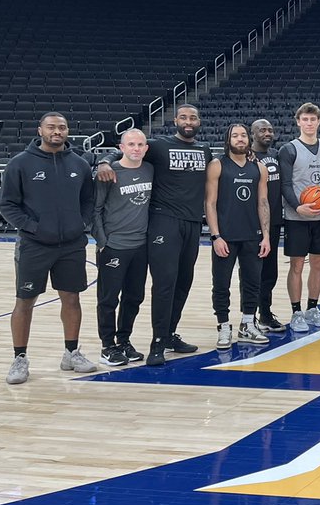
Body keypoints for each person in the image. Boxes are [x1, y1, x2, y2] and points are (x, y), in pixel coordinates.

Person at [96, 104, 210, 366]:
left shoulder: (204, 151)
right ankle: (157, 343)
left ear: (199, 121)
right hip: (164, 222)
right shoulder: (158, 146)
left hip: (193, 224)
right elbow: (125, 148)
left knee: (184, 283)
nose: (188, 121)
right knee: (165, 284)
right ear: (175, 121)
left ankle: (169, 334)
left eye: (193, 117)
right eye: (183, 117)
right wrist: (104, 161)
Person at [2, 113, 96, 385]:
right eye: (52, 127)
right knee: (25, 301)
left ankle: (71, 353)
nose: (57, 131)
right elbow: (8, 205)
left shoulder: (78, 163)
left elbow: (88, 201)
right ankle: (19, 359)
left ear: (68, 131)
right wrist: (33, 227)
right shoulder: (20, 163)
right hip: (34, 245)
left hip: (71, 245)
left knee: (72, 299)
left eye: (62, 127)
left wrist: (82, 223)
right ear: (40, 130)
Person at [205, 124, 271, 349]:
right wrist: (215, 236)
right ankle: (223, 326)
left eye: (243, 135)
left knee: (252, 283)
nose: (240, 139)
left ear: (249, 139)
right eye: (235, 135)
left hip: (252, 236)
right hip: (225, 237)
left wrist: (266, 236)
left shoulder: (259, 168)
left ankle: (247, 324)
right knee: (221, 285)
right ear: (228, 139)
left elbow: (263, 202)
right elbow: (210, 203)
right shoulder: (217, 165)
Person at [92, 128, 152, 366]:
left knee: (134, 297)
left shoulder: (150, 170)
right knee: (108, 299)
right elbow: (95, 210)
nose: (136, 149)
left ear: (146, 148)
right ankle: (107, 346)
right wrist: (102, 242)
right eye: (131, 144)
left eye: (140, 145)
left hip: (141, 247)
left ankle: (124, 341)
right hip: (114, 247)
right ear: (121, 148)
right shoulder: (108, 173)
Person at [280, 102, 320, 334]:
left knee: (319, 265)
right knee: (297, 266)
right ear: (298, 122)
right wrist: (298, 206)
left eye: (313, 120)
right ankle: (296, 312)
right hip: (296, 217)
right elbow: (285, 184)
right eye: (305, 120)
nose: (309, 123)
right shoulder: (288, 149)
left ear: (319, 122)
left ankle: (312, 308)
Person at [250, 119, 286, 334]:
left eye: (270, 130)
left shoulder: (276, 155)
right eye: (262, 130)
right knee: (252, 273)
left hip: (272, 223)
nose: (267, 133)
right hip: (251, 224)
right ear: (252, 133)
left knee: (270, 273)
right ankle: (249, 317)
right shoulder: (246, 157)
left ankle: (265, 313)